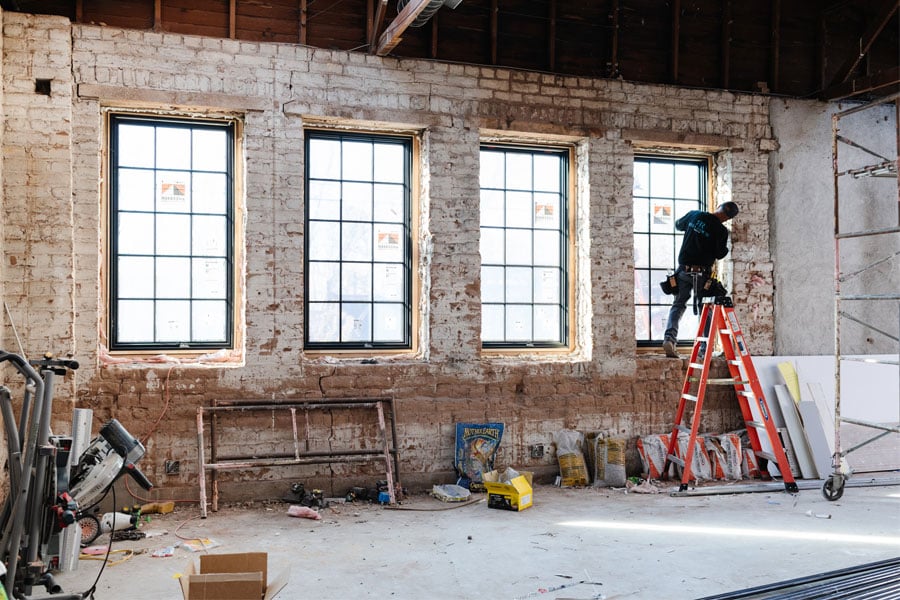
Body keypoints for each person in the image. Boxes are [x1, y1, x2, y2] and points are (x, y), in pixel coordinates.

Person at [662, 201, 739, 358]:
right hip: (702, 275)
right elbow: (720, 253)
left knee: (678, 305)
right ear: (727, 218)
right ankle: (705, 350)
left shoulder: (695, 215)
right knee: (705, 310)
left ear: (718, 207)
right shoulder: (721, 231)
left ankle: (669, 339)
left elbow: (678, 225)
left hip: (683, 271)